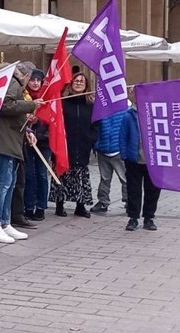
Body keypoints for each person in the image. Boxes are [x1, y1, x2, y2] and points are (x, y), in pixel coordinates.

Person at [0, 62, 42, 244]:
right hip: (3, 142)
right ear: (25, 75)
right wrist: (30, 105)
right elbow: (6, 106)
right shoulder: (13, 82)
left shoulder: (11, 81)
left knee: (9, 183)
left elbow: (13, 114)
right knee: (3, 184)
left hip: (9, 141)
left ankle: (4, 222)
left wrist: (27, 132)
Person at [51, 73, 96, 217]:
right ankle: (59, 204)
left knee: (81, 176)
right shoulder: (63, 102)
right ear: (71, 84)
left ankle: (80, 206)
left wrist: (91, 139)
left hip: (83, 145)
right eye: (76, 80)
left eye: (82, 81)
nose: (79, 83)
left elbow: (96, 125)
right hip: (65, 145)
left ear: (86, 85)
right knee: (62, 173)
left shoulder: (90, 105)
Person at [122, 101, 158, 232]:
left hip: (154, 162)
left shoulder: (157, 115)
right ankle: (133, 218)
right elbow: (123, 137)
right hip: (134, 160)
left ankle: (149, 218)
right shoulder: (129, 116)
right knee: (134, 190)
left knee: (152, 191)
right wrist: (125, 155)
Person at [22, 69, 52, 222]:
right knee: (29, 175)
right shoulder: (23, 96)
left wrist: (38, 120)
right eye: (32, 80)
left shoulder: (46, 97)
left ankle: (41, 206)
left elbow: (51, 120)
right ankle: (28, 206)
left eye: (38, 80)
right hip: (26, 142)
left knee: (41, 174)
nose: (35, 83)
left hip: (43, 141)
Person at [92, 108, 130, 213]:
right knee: (104, 178)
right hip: (103, 149)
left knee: (125, 179)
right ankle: (103, 201)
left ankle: (129, 202)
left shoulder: (125, 108)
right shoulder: (100, 108)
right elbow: (95, 128)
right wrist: (96, 144)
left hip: (119, 151)